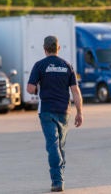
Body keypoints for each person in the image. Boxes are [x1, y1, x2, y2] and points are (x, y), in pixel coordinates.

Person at [27, 35, 83, 192]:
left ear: (45, 49)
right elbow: (76, 92)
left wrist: (38, 88)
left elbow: (30, 88)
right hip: (64, 111)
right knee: (60, 146)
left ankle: (57, 181)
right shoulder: (67, 66)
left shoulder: (39, 65)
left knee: (53, 146)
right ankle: (59, 179)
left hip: (46, 111)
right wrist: (80, 112)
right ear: (58, 48)